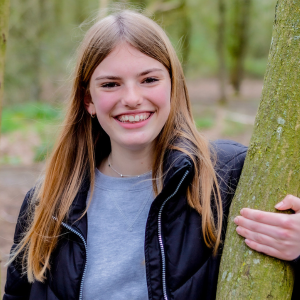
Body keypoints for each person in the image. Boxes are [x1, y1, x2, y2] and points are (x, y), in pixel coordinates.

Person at [3, 9, 300, 300]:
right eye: (110, 84)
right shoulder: (46, 202)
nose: (132, 99)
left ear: (173, 86)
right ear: (88, 100)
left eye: (149, 80)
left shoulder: (231, 177)